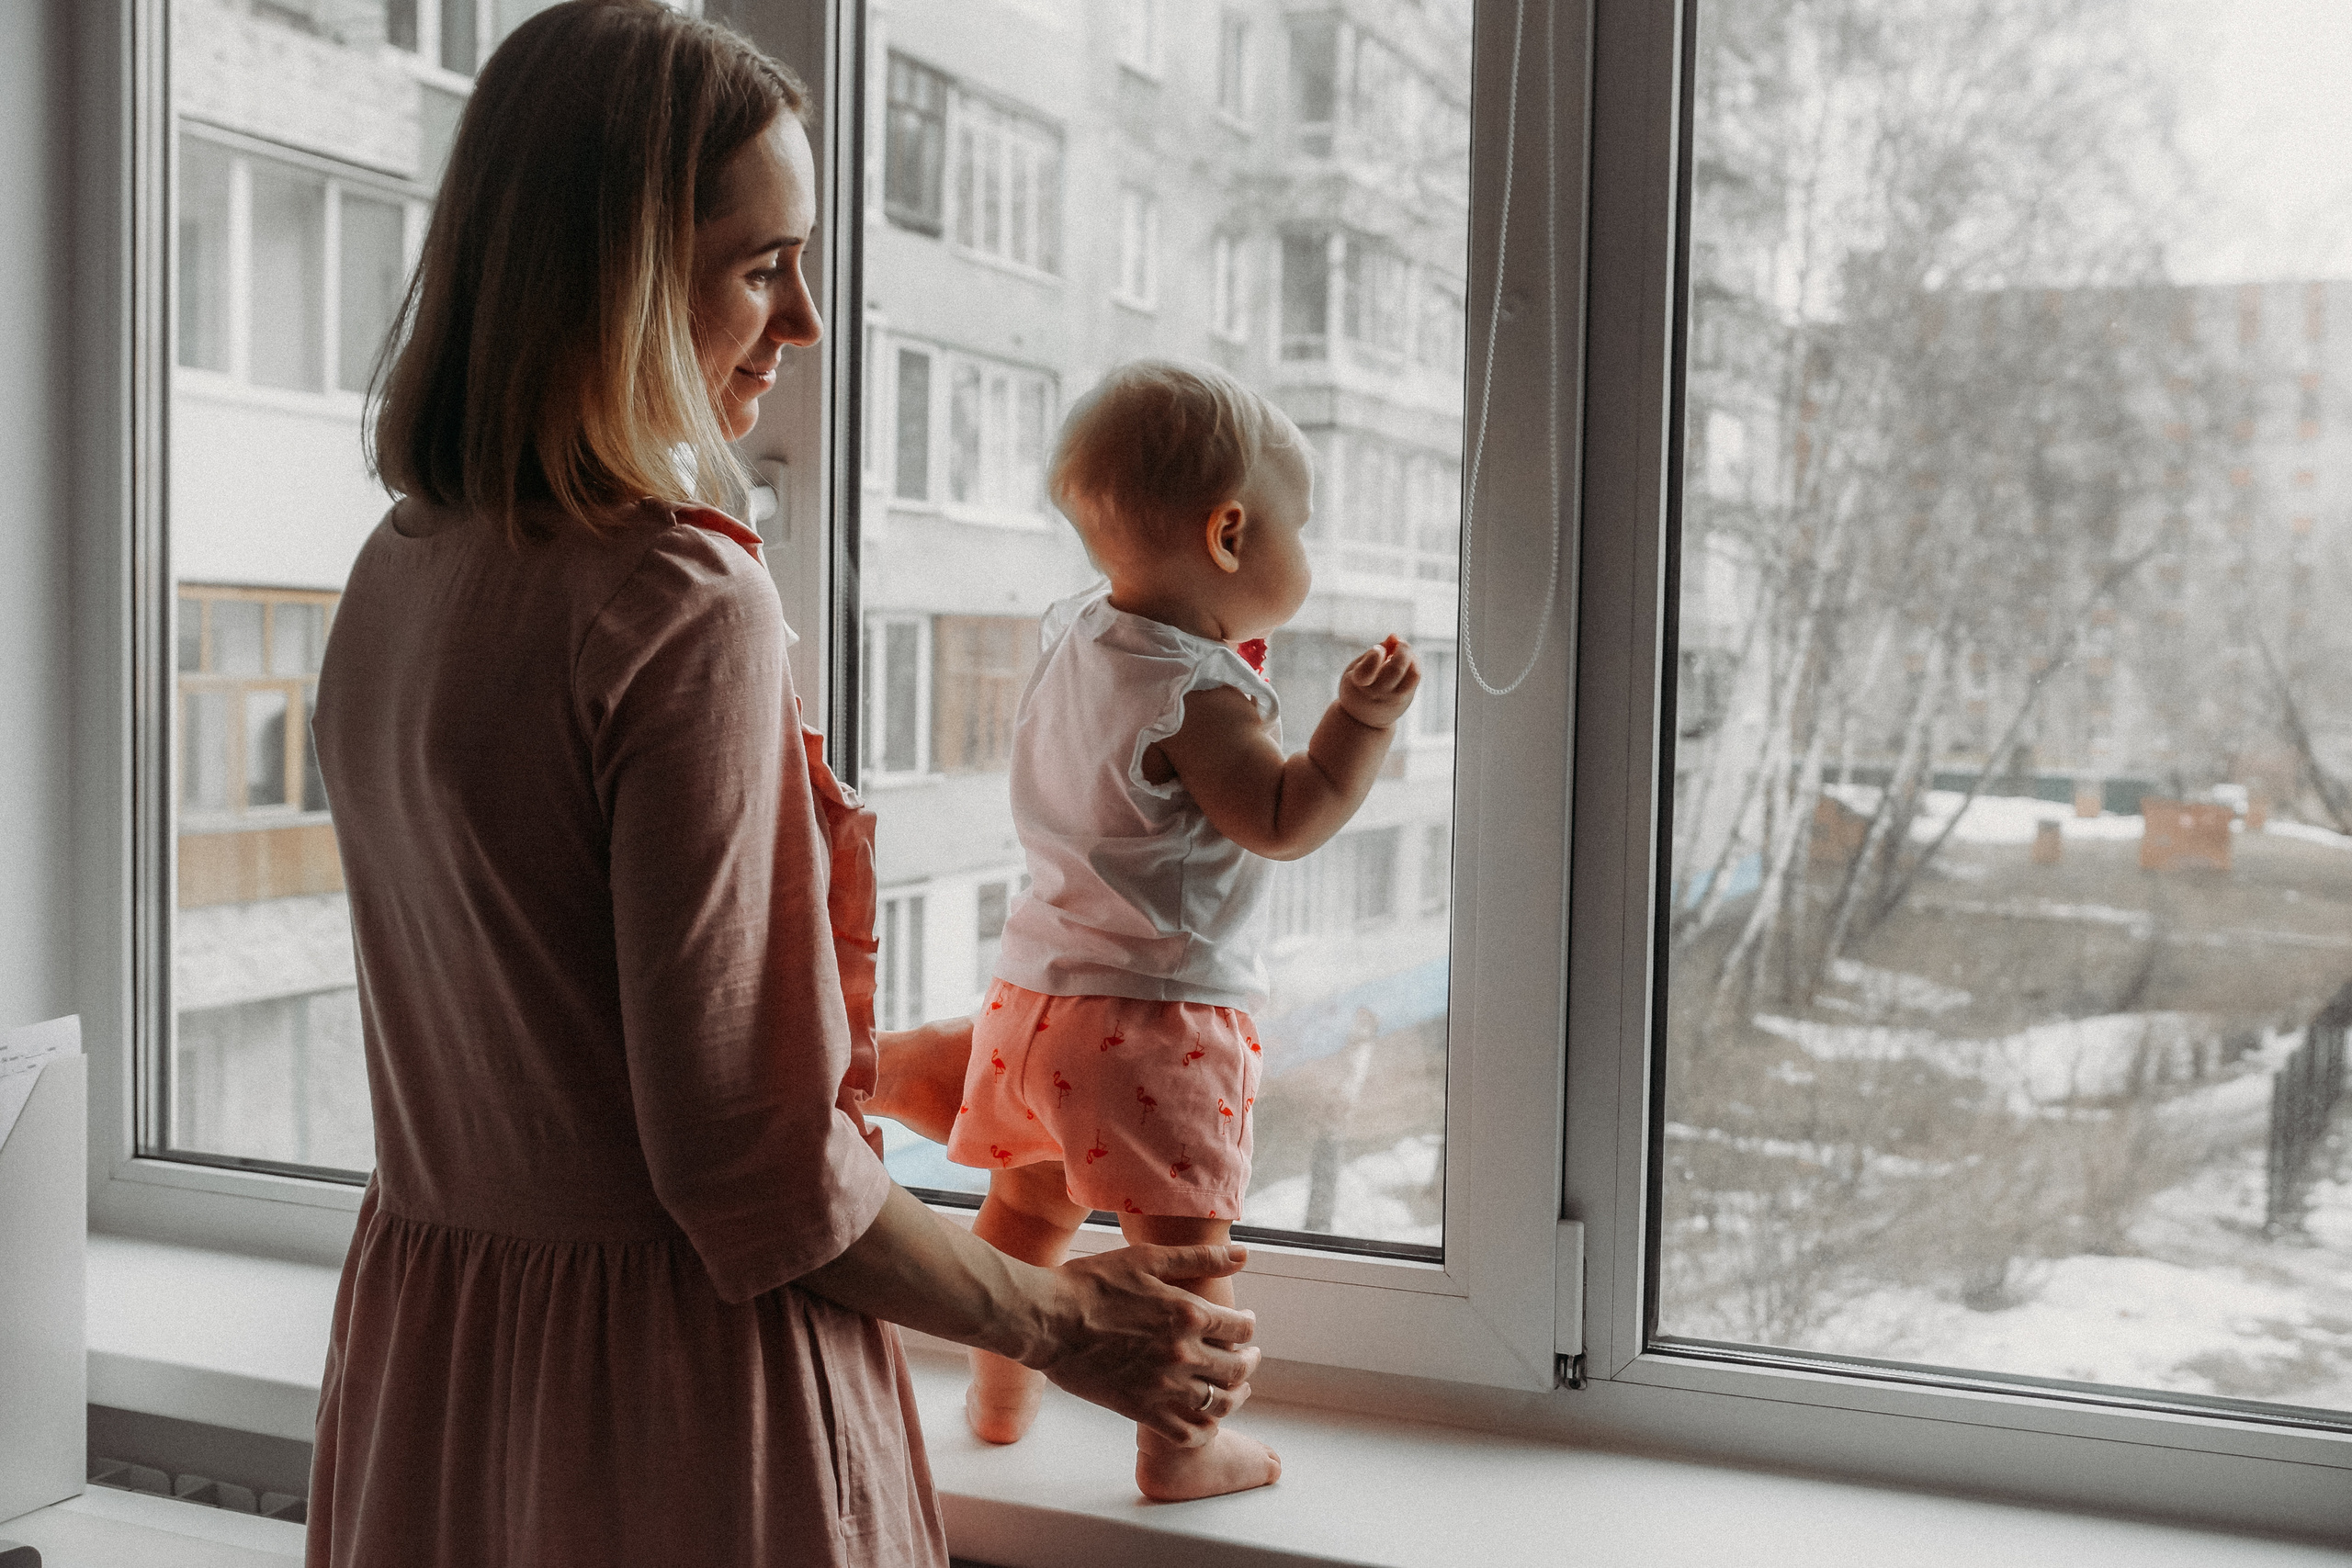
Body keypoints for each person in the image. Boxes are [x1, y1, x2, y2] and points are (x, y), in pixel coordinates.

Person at [306, 8, 1259, 1565]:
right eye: (760, 266)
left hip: (443, 1377)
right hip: (673, 1404)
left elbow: (549, 1043)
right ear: (614, 282)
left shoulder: (400, 566)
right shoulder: (674, 601)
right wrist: (1063, 1317)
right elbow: (753, 1169)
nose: (804, 319)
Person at [940, 361, 1421, 1500]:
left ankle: (997, 1400)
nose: (1306, 549)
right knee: (1187, 1255)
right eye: (1301, 526)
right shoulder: (1197, 693)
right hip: (1152, 1025)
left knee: (1023, 1215)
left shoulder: (1076, 636)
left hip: (1030, 1004)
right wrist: (1357, 724)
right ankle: (1182, 1446)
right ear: (1230, 533)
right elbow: (1282, 817)